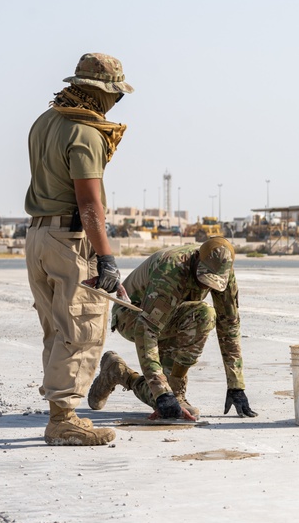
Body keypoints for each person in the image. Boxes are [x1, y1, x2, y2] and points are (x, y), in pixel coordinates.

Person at [24, 53, 136, 446]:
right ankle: (63, 420)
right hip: (69, 241)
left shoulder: (45, 121)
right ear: (101, 92)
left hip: (38, 236)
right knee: (82, 329)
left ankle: (60, 411)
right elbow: (89, 205)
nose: (115, 103)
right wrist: (106, 258)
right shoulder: (84, 132)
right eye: (115, 96)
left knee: (57, 330)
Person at [87, 237, 258, 419]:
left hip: (170, 318)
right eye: (204, 279)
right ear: (198, 259)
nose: (207, 286)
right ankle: (124, 375)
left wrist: (236, 385)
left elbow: (229, 325)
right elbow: (147, 330)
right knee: (203, 314)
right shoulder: (171, 270)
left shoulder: (223, 271)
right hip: (132, 315)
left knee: (172, 407)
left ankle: (118, 371)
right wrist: (162, 392)